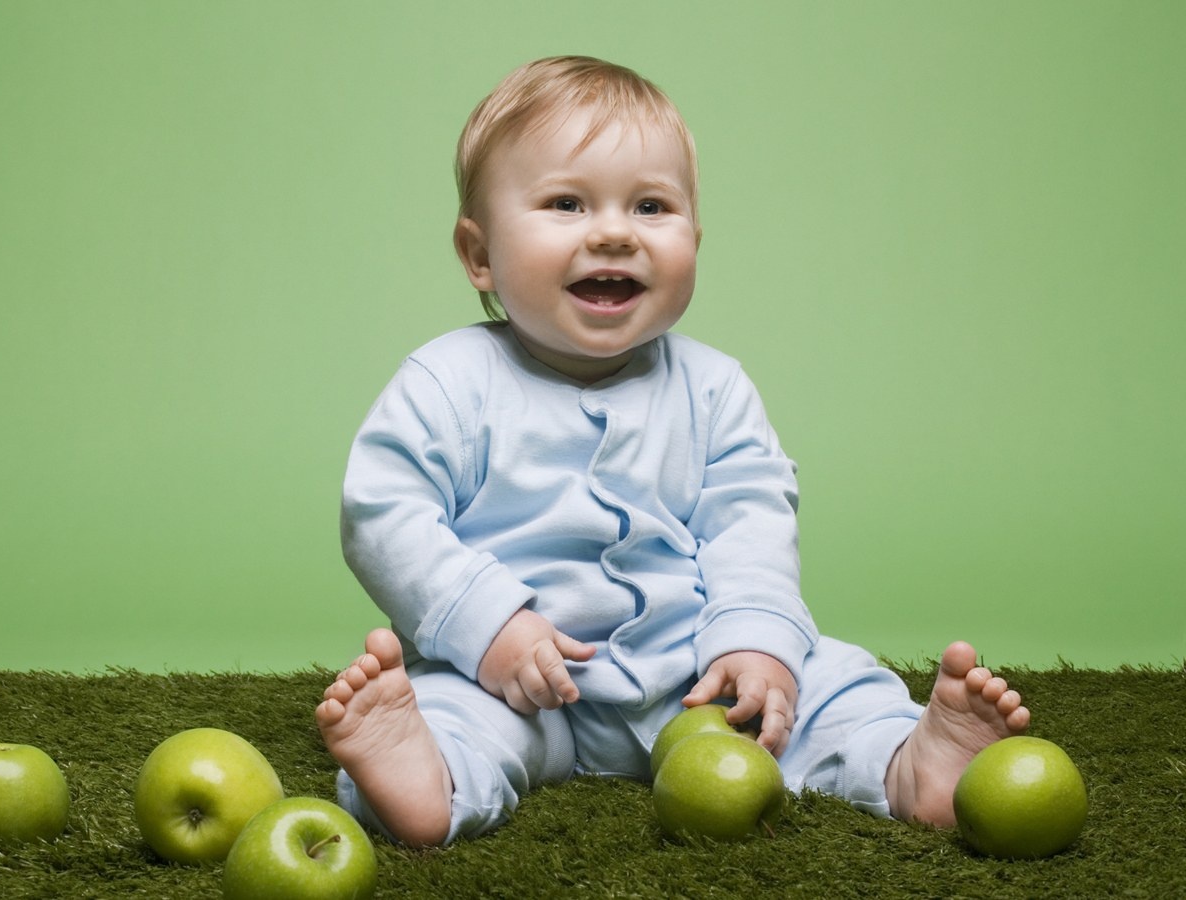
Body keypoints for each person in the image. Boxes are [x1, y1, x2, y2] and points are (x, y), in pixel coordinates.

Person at [315, 55, 1030, 848]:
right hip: (519, 685)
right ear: (479, 254)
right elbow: (384, 515)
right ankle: (423, 779)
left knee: (828, 684)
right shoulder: (449, 383)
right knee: (456, 718)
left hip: (697, 678)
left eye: (651, 205)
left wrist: (754, 640)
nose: (615, 231)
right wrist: (490, 628)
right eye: (565, 203)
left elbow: (750, 519)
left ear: (696, 236)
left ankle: (908, 761)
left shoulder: (713, 387)